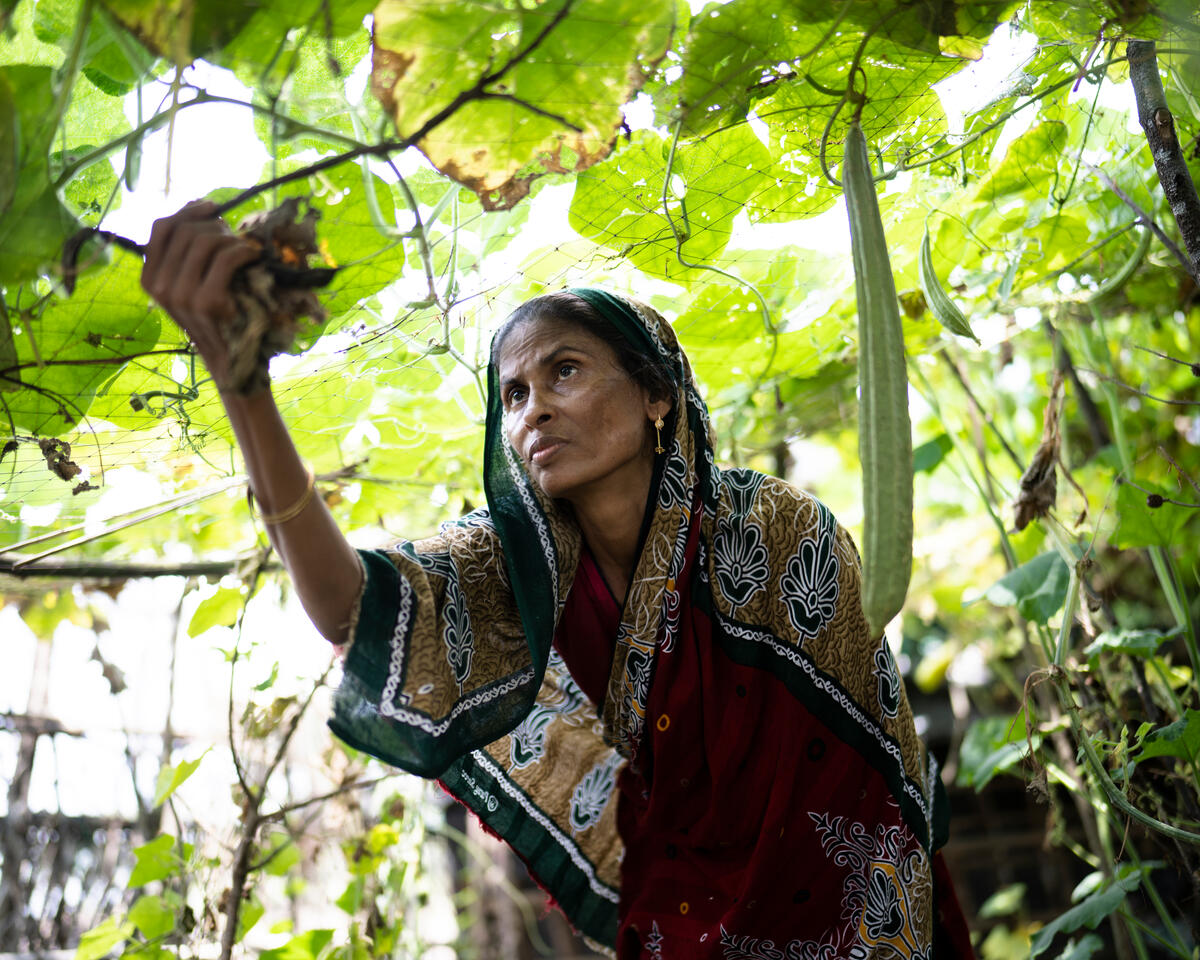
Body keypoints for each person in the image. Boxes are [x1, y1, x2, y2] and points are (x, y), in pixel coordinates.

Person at [142, 202, 974, 959]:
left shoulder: (778, 529)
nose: (532, 407)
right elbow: (352, 609)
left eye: (564, 371)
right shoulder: (517, 562)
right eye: (513, 393)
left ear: (655, 393)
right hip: (678, 911)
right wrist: (243, 386)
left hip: (846, 908)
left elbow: (866, 763)